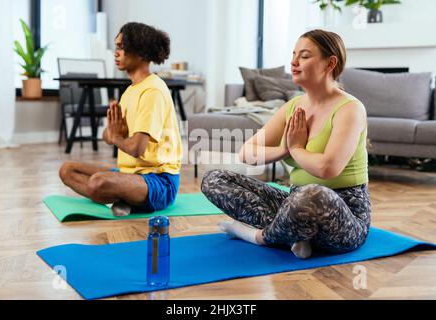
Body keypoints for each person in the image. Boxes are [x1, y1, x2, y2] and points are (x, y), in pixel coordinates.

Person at [201, 29, 370, 259]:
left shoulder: (350, 109)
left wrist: (297, 149)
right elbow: (247, 154)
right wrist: (284, 149)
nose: (293, 62)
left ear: (330, 63)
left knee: (313, 195)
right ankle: (296, 234)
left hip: (343, 214)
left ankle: (257, 236)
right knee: (215, 180)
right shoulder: (293, 107)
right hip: (295, 204)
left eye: (304, 56)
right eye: (293, 54)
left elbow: (328, 168)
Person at [59, 22, 182, 216]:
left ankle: (121, 195)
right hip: (129, 174)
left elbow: (135, 148)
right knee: (67, 170)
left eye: (122, 48)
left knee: (98, 182)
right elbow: (110, 135)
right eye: (116, 47)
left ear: (140, 53)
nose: (116, 53)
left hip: (159, 181)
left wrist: (116, 138)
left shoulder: (153, 91)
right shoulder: (130, 91)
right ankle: (123, 197)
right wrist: (113, 134)